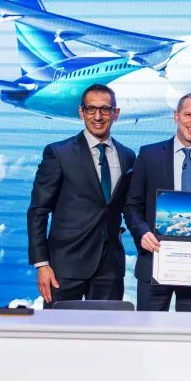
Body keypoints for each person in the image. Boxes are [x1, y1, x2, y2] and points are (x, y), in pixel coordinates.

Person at [27, 84, 136, 306]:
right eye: (91, 109)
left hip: (110, 269)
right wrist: (42, 263)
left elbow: (129, 207)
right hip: (64, 266)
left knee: (108, 328)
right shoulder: (59, 153)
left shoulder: (128, 156)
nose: (98, 116)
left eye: (105, 109)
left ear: (116, 113)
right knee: (58, 328)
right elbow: (38, 211)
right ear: (81, 112)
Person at [124, 93, 191, 311]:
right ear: (176, 116)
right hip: (154, 261)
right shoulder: (149, 155)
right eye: (188, 115)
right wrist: (142, 233)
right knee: (148, 328)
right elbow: (132, 206)